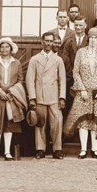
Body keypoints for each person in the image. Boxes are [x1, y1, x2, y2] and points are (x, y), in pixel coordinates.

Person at [64, 28, 97, 160]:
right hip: (83, 92)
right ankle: (83, 149)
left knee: (96, 120)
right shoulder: (81, 52)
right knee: (83, 120)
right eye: (91, 38)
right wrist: (81, 89)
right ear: (88, 39)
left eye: (96, 38)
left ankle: (95, 149)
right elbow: (75, 72)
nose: (93, 40)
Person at [26, 32, 67, 160]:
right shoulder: (35, 59)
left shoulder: (58, 60)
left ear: (54, 43)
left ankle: (57, 149)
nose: (49, 44)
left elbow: (62, 80)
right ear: (42, 42)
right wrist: (32, 98)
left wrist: (62, 97)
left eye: (51, 41)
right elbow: (29, 79)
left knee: (57, 122)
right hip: (40, 96)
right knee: (40, 123)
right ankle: (40, 149)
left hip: (54, 96)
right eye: (47, 41)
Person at [0, 37, 26, 161]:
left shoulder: (16, 63)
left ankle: (7, 152)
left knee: (9, 124)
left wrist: (11, 92)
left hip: (10, 97)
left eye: (7, 47)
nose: (4, 49)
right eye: (2, 47)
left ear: (11, 49)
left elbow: (20, 79)